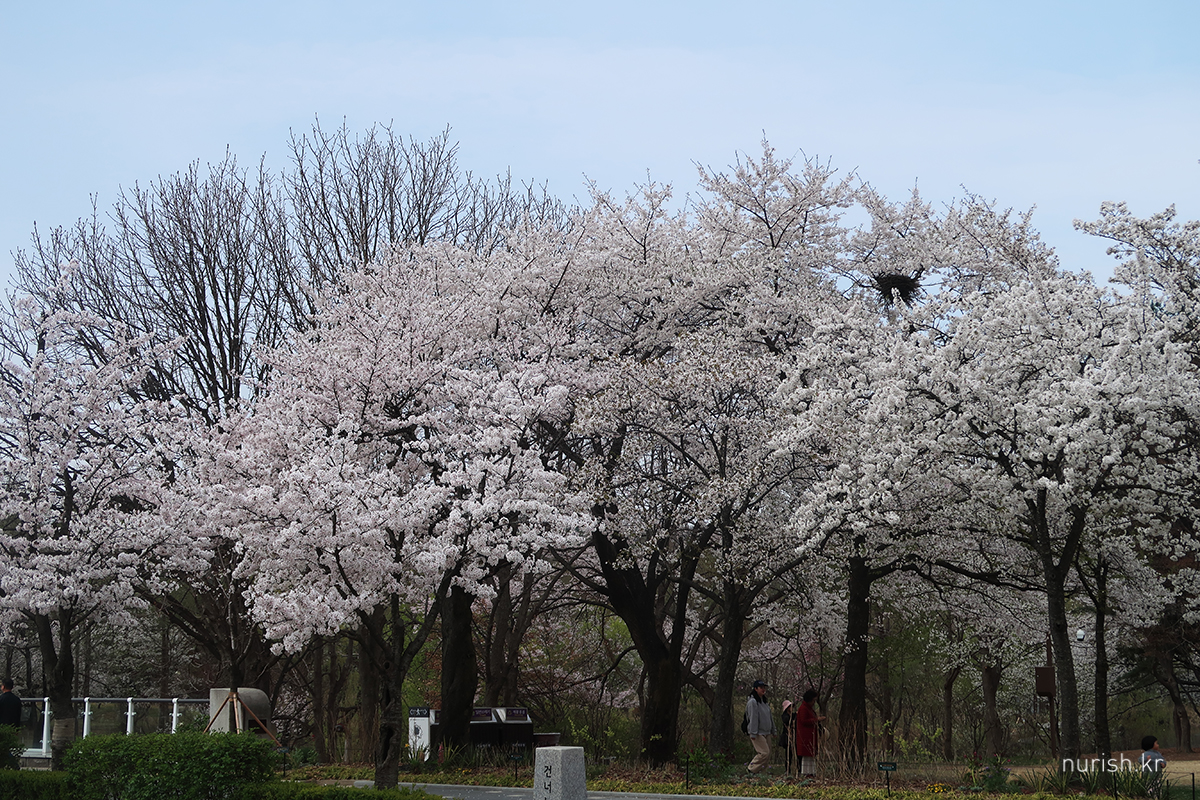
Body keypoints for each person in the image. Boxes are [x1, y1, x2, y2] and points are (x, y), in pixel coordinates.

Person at [745, 680, 777, 774]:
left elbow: (770, 717)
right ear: (756, 689)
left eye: (764, 687)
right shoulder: (753, 702)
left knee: (768, 754)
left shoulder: (764, 702)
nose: (763, 689)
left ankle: (761, 772)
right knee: (764, 753)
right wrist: (753, 733)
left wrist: (773, 730)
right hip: (758, 732)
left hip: (767, 731)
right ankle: (751, 769)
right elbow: (753, 717)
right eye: (761, 688)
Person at [795, 688, 826, 777]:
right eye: (813, 700)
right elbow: (804, 721)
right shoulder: (803, 709)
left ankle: (811, 772)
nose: (814, 702)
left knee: (811, 756)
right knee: (806, 756)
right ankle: (806, 773)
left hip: (810, 736)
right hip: (806, 736)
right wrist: (817, 720)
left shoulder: (809, 709)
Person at [779, 700, 795, 775]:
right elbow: (787, 721)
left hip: (793, 735)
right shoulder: (785, 716)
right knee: (788, 754)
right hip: (787, 736)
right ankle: (787, 769)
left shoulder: (793, 715)